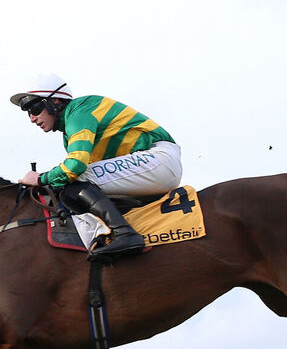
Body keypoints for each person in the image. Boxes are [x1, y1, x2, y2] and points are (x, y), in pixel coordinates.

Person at [12, 73, 182, 262]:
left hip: (158, 159)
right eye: (27, 112)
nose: (32, 118)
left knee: (74, 180)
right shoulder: (70, 130)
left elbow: (76, 166)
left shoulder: (79, 111)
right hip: (152, 164)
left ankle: (125, 234)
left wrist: (41, 178)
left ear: (56, 101)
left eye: (35, 108)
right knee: (68, 189)